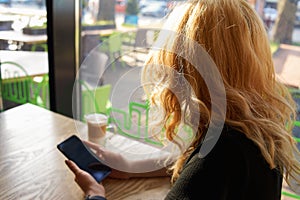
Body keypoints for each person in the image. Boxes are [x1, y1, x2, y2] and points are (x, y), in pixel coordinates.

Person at [65, 0, 300, 199]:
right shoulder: (258, 134)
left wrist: (95, 193)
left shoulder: (217, 158)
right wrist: (130, 166)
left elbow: (204, 172)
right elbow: (198, 170)